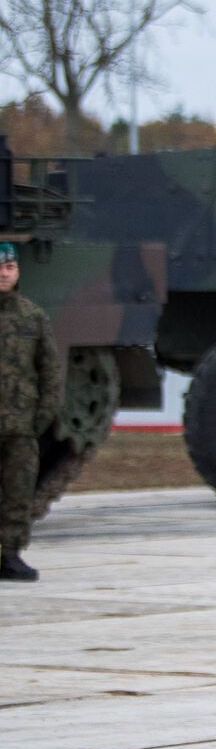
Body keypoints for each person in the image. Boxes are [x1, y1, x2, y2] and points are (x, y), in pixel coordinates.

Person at [0, 242, 61, 583]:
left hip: (20, 426)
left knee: (18, 492)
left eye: (9, 267)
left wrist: (41, 416)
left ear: (17, 271)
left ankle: (10, 555)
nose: (4, 273)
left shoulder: (32, 316)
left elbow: (50, 370)